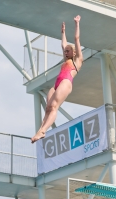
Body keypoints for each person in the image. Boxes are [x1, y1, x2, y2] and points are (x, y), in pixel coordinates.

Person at [31, 15, 83, 143]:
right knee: (48, 108)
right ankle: (41, 131)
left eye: (68, 51)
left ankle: (43, 131)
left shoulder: (77, 60)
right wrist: (63, 32)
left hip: (66, 82)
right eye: (65, 51)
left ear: (74, 52)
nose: (65, 52)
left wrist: (77, 23)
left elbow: (76, 38)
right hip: (57, 84)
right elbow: (63, 44)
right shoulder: (66, 59)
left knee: (54, 106)